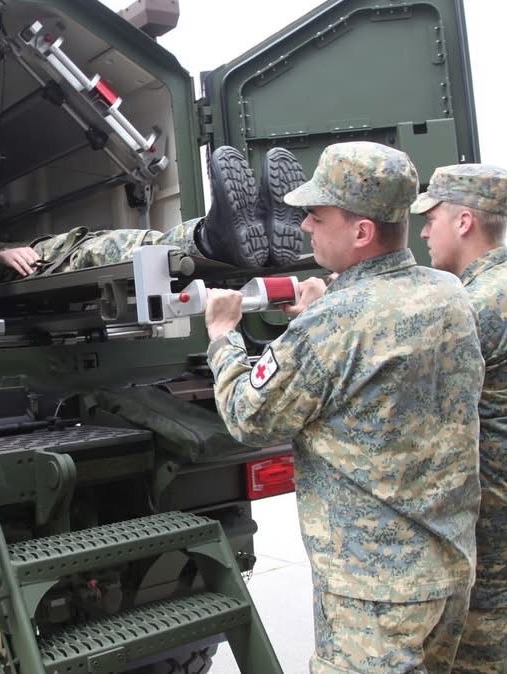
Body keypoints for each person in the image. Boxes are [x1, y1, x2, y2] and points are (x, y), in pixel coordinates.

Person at [203, 141, 483, 673]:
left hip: (373, 593)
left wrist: (223, 336)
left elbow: (247, 414)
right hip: (447, 568)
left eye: (315, 214)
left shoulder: (335, 323)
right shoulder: (446, 292)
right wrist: (319, 314)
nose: (305, 227)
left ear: (361, 232)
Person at [412, 164, 507, 674]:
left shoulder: (473, 308)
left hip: (490, 538)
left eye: (432, 219)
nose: (424, 232)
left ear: (465, 221)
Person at [0, 145, 307, 280]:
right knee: (118, 248)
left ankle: (247, 235)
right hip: (49, 261)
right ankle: (212, 238)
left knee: (135, 242)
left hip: (61, 248)